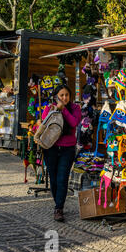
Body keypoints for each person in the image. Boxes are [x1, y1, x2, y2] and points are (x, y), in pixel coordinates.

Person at [42, 84, 81, 222]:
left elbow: (74, 122)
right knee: (53, 178)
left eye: (67, 95)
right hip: (50, 147)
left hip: (67, 148)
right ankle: (57, 202)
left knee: (62, 178)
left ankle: (59, 208)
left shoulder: (75, 108)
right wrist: (53, 111)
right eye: (61, 95)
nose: (64, 98)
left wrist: (64, 110)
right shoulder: (49, 108)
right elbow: (44, 124)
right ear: (56, 96)